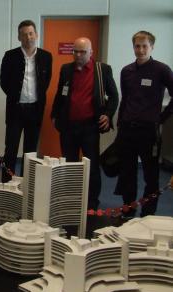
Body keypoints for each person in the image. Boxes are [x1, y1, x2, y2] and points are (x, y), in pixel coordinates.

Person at [51, 37, 118, 210]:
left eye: (82, 52)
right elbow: (60, 94)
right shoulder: (66, 69)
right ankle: (71, 200)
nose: (78, 55)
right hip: (68, 127)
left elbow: (114, 96)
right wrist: (54, 115)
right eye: (75, 51)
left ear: (91, 52)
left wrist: (108, 115)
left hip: (90, 127)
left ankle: (91, 203)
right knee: (70, 166)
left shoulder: (102, 70)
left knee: (92, 166)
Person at [115, 31, 173, 218]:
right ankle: (128, 208)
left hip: (148, 131)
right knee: (127, 173)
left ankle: (148, 213)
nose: (140, 50)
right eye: (137, 46)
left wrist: (161, 117)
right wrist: (120, 123)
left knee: (151, 175)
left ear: (152, 47)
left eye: (144, 46)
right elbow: (125, 100)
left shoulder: (162, 70)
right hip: (127, 130)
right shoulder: (127, 71)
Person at [0, 20, 52, 182]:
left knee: (30, 151)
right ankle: (7, 184)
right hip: (15, 109)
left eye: (30, 33)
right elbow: (4, 82)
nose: (28, 37)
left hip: (35, 110)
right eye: (24, 34)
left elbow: (46, 81)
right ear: (18, 37)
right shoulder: (10, 56)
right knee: (11, 150)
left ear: (36, 34)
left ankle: (27, 183)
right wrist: (16, 96)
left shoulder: (46, 56)